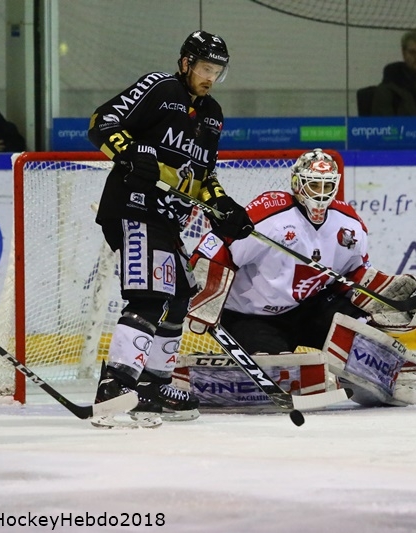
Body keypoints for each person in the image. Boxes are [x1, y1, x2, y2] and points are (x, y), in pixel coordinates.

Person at [87, 30, 254, 427]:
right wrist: (131, 152)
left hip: (168, 219)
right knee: (150, 296)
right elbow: (102, 122)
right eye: (205, 68)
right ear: (186, 64)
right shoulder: (159, 87)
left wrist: (222, 205)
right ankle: (115, 384)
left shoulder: (212, 114)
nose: (210, 77)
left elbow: (203, 174)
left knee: (178, 297)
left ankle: (153, 387)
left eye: (217, 70)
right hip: (134, 206)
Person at [185, 149, 416, 409]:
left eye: (327, 185)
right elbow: (220, 248)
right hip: (251, 316)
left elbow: (349, 276)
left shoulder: (349, 224)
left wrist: (380, 294)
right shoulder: (271, 216)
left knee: (355, 325)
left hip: (307, 308)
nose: (320, 192)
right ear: (297, 184)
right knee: (274, 366)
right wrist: (206, 297)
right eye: (314, 184)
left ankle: (387, 377)